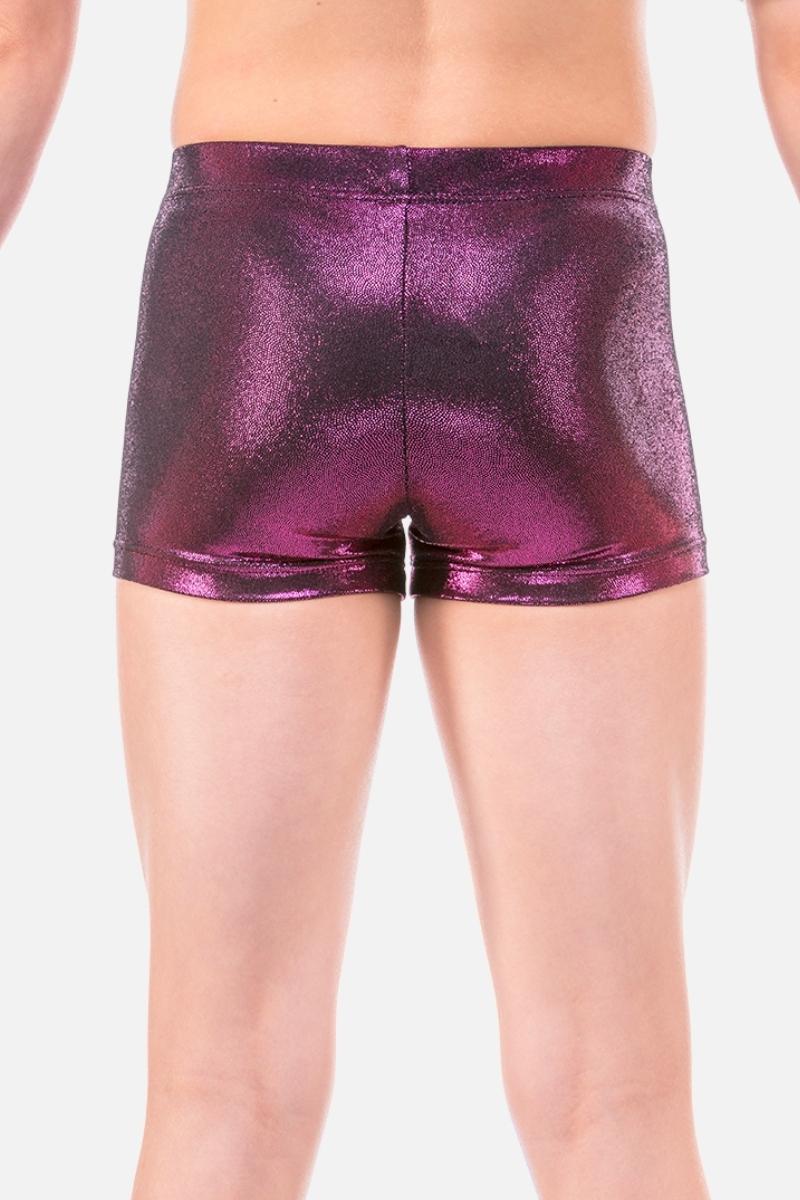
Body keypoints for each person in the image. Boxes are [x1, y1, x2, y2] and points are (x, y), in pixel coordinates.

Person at [1, 3, 797, 1199]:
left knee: (222, 1087)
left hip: (260, 287)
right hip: (557, 279)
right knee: (611, 1094)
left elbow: (19, 42)